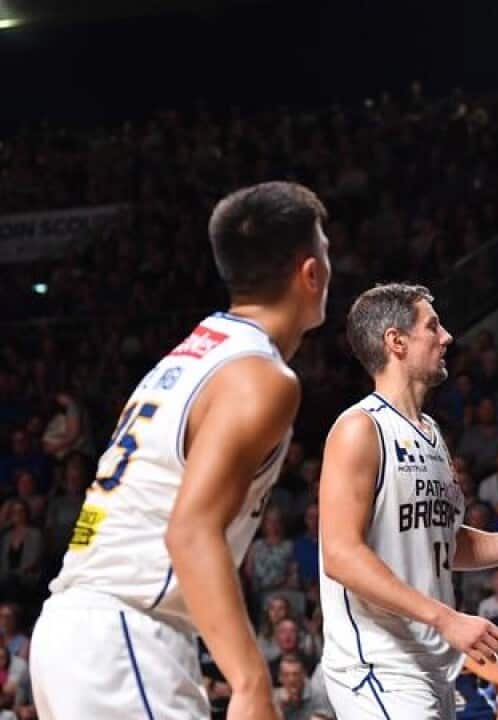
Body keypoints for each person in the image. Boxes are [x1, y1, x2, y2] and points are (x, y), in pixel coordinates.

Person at [31, 181, 333, 720]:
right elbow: (190, 530)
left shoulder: (196, 352)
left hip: (86, 629)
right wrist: (249, 681)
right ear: (311, 273)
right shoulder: (262, 377)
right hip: (125, 633)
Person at [318, 283, 498, 718]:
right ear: (396, 342)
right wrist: (446, 618)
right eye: (432, 327)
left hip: (432, 666)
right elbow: (339, 555)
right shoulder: (359, 428)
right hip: (378, 663)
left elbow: (447, 543)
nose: (447, 336)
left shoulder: (431, 433)